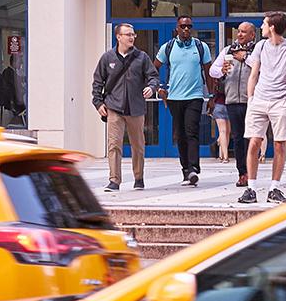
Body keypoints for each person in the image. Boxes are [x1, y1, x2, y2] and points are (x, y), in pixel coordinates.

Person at [238, 12, 286, 205]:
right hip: (259, 99)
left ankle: (274, 189)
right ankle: (251, 188)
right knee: (253, 143)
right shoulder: (260, 46)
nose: (261, 27)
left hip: (280, 101)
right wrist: (251, 99)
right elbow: (253, 75)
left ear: (272, 27)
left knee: (279, 144)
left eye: (264, 24)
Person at [90, 24, 156, 192]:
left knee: (138, 145)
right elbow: (98, 81)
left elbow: (153, 76)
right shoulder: (107, 58)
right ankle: (114, 180)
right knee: (114, 145)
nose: (131, 37)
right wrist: (98, 103)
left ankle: (139, 177)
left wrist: (152, 87)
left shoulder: (141, 57)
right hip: (114, 108)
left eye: (133, 34)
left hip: (136, 108)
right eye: (127, 34)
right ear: (118, 37)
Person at [156, 16, 211, 187]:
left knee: (191, 131)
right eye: (183, 26)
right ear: (177, 28)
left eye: (189, 26)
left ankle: (194, 168)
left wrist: (210, 97)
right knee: (180, 135)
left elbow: (209, 73)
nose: (186, 29)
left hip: (194, 96)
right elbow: (153, 68)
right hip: (174, 98)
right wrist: (159, 87)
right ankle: (185, 171)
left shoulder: (201, 47)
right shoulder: (168, 47)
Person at [210, 21, 258, 189]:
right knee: (237, 138)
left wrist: (245, 57)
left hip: (251, 101)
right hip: (231, 100)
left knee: (250, 138)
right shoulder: (228, 50)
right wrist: (221, 70)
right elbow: (212, 71)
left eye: (244, 32)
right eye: (238, 31)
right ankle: (242, 173)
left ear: (252, 35)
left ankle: (251, 172)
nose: (240, 34)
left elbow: (262, 69)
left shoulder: (257, 50)